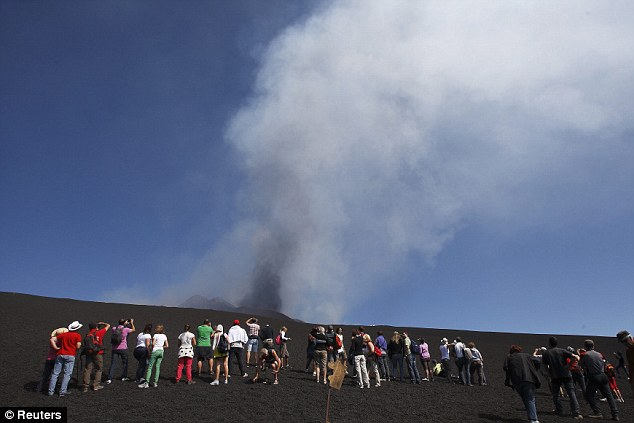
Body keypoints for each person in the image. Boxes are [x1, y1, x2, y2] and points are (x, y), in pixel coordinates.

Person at [541, 336, 583, 419]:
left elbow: (545, 365)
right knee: (571, 393)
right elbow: (575, 357)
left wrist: (549, 373)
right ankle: (576, 412)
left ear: (549, 343)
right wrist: (568, 365)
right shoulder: (562, 350)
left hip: (555, 376)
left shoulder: (546, 353)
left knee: (555, 394)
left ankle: (559, 410)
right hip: (566, 374)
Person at [579, 339, 619, 421]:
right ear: (593, 346)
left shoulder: (585, 355)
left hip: (594, 376)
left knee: (589, 395)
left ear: (585, 347)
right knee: (609, 396)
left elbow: (581, 365)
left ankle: (597, 412)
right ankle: (615, 414)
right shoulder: (600, 354)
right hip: (603, 376)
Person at [503, 345, 542, 423]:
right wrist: (534, 369)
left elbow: (505, 368)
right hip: (529, 379)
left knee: (525, 398)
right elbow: (538, 361)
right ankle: (533, 419)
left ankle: (532, 418)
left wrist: (509, 378)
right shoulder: (527, 355)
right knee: (530, 399)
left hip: (517, 381)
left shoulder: (509, 357)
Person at [48, 321, 83, 397]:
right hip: (70, 355)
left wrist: (56, 348)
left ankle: (50, 391)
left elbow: (52, 339)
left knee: (55, 373)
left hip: (60, 354)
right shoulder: (77, 336)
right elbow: (78, 346)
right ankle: (62, 391)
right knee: (67, 374)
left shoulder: (63, 335)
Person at [37, 328, 67, 393]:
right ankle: (54, 388)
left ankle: (39, 388)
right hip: (57, 359)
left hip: (50, 358)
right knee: (56, 375)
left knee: (46, 374)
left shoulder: (53, 340)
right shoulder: (61, 341)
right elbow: (57, 349)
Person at [82, 321, 110, 392]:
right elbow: (108, 325)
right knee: (98, 369)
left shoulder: (88, 334)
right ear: (96, 327)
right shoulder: (99, 332)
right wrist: (103, 323)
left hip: (89, 353)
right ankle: (96, 385)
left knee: (87, 369)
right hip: (98, 353)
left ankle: (85, 387)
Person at [138, 324, 168, 388]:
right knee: (158, 367)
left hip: (155, 351)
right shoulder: (164, 336)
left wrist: (151, 346)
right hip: (161, 351)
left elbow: (153, 344)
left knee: (150, 367)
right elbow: (167, 345)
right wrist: (161, 346)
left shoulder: (155, 335)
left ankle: (147, 383)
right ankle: (155, 383)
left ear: (158, 329)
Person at [106, 318, 135, 384]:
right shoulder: (126, 329)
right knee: (125, 363)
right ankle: (124, 377)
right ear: (124, 323)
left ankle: (109, 378)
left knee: (113, 363)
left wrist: (125, 324)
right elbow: (133, 330)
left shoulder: (114, 328)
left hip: (114, 348)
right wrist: (132, 323)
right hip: (123, 348)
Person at [616, 330, 634, 399]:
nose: (625, 343)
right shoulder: (628, 352)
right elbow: (631, 365)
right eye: (623, 342)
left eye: (625, 341)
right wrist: (631, 378)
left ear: (630, 338)